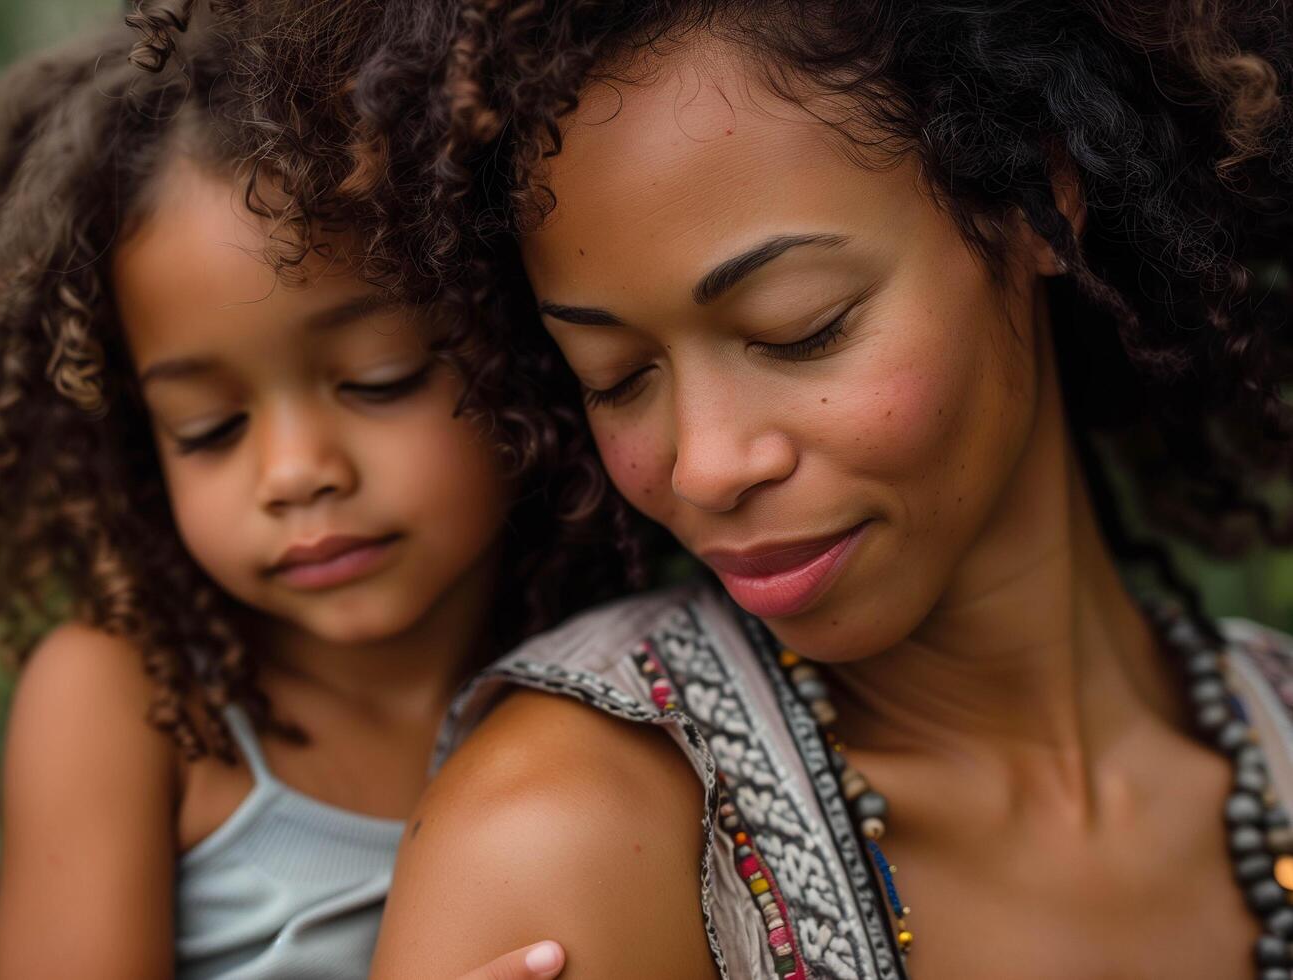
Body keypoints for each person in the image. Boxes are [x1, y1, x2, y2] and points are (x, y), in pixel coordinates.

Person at [209, 0, 1293, 976]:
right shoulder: (570, 834)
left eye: (800, 329)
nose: (705, 464)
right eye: (618, 376)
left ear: (1033, 195)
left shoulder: (1273, 735)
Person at [0, 16, 620, 980]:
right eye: (207, 428)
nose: (293, 473)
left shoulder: (628, 660)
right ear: (136, 441)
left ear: (514, 349)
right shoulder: (133, 702)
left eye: (378, 380)